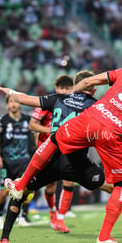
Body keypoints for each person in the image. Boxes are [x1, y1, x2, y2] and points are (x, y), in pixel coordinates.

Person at [3, 56, 122, 243]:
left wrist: (70, 96)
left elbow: (88, 81)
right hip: (113, 137)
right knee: (121, 186)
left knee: (54, 138)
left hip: (91, 121)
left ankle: (20, 189)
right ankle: (106, 237)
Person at [29, 75, 75, 232]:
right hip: (47, 147)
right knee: (50, 187)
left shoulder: (76, 104)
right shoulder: (48, 102)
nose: (64, 91)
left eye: (68, 88)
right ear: (56, 89)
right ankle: (52, 212)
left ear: (73, 89)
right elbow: (32, 125)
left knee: (69, 182)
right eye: (62, 88)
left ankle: (61, 219)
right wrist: (52, 131)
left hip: (67, 148)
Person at [0, 95, 36, 229]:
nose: (13, 104)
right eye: (11, 102)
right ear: (7, 105)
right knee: (3, 193)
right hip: (7, 162)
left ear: (20, 104)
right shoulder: (2, 120)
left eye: (16, 101)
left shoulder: (28, 120)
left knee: (25, 189)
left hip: (24, 161)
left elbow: (35, 135)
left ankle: (22, 216)